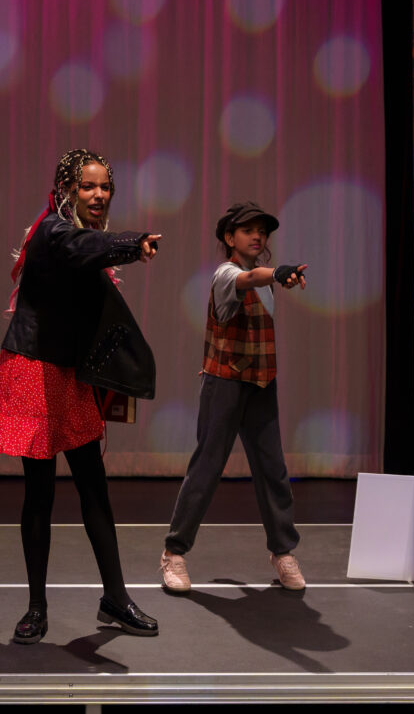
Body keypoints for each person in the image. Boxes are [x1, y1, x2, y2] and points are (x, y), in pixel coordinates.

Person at [0, 149, 161, 643]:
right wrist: (133, 243)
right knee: (40, 492)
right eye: (88, 186)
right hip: (35, 370)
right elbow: (80, 247)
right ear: (67, 189)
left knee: (94, 486)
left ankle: (115, 598)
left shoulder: (79, 235)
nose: (99, 194)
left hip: (69, 375)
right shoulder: (53, 230)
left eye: (105, 187)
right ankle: (36, 608)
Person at [159, 201, 309, 593]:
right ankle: (174, 552)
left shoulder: (266, 283)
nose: (257, 236)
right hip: (225, 383)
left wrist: (278, 276)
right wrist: (278, 272)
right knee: (207, 468)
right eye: (248, 230)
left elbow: (261, 281)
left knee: (273, 469)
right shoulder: (227, 274)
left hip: (261, 383)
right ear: (230, 237)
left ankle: (282, 551)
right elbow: (250, 278)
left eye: (262, 231)